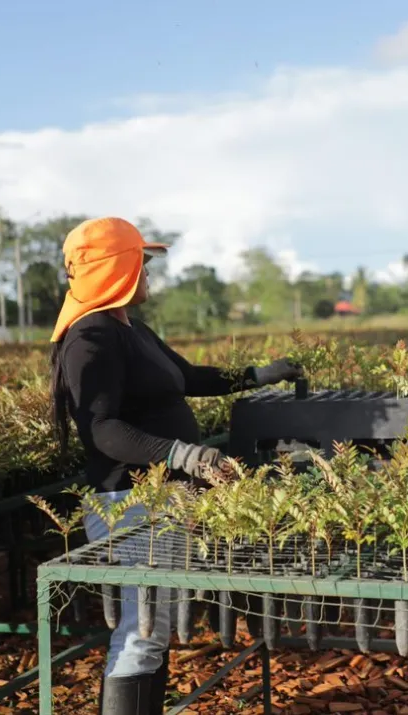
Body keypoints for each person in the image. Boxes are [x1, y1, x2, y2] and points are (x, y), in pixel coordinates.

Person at [47, 216, 302, 715]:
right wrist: (185, 454)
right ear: (114, 268)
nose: (147, 274)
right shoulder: (90, 339)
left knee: (154, 624)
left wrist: (257, 374)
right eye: (140, 263)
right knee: (142, 627)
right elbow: (102, 428)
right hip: (129, 501)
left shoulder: (130, 328)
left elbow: (186, 378)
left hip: (161, 499)